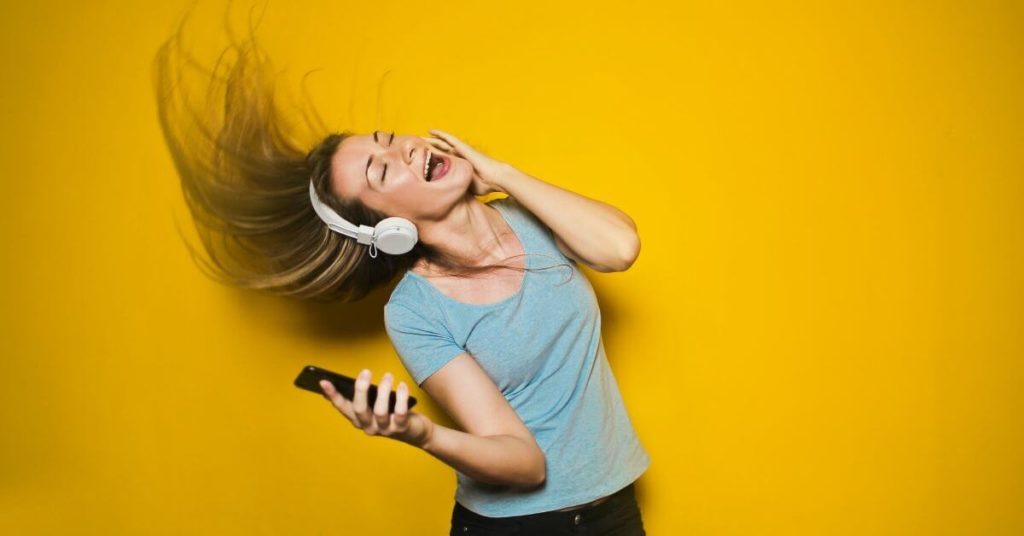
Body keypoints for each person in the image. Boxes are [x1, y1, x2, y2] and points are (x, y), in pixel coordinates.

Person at [153, 15, 650, 536]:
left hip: (612, 505)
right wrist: (419, 433)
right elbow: (526, 463)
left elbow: (619, 248)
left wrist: (501, 173)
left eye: (389, 140)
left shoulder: (531, 216)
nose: (405, 149)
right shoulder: (415, 311)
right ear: (388, 230)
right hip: (517, 526)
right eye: (382, 170)